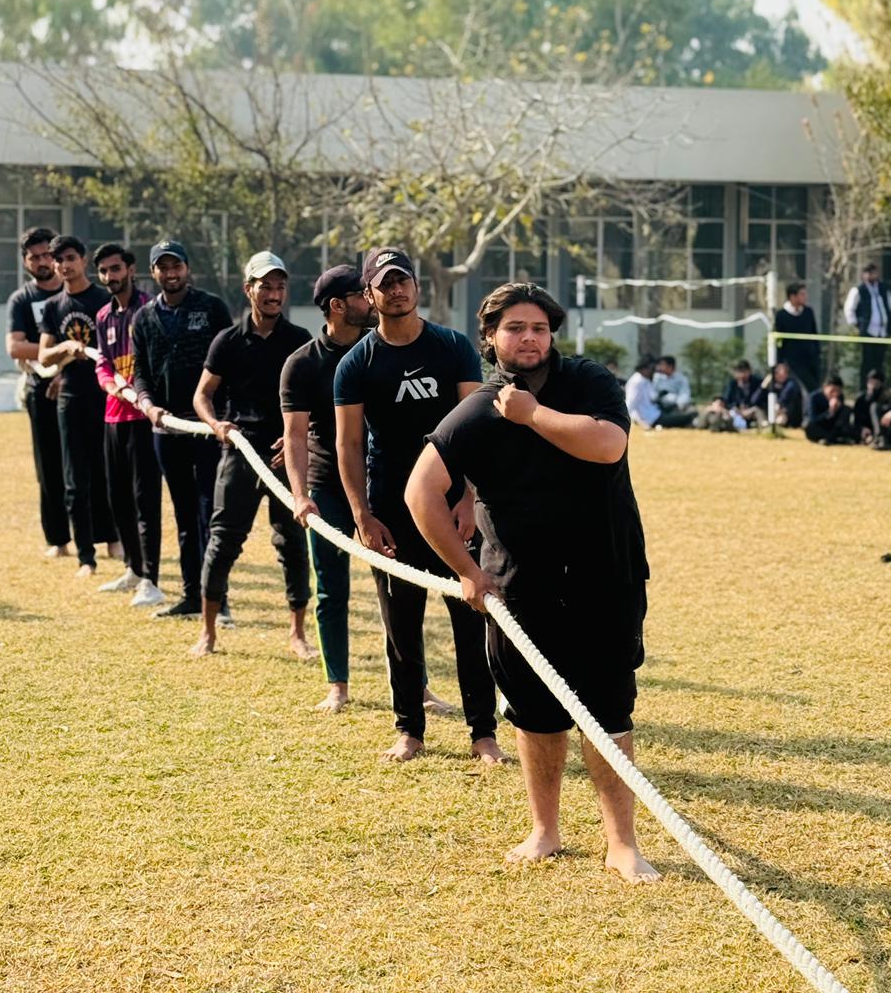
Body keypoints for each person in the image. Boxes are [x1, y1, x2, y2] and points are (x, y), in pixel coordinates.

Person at [405, 283, 658, 882]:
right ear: (490, 338)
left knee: (608, 711)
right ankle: (545, 830)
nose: (529, 339)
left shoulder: (588, 382)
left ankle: (621, 842)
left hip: (606, 579)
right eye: (514, 328)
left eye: (539, 328)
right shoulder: (475, 411)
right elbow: (420, 493)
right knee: (535, 714)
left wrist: (532, 415)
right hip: (520, 589)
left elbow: (608, 445)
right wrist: (468, 573)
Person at [334, 246, 502, 765]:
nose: (397, 290)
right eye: (385, 284)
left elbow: (476, 426)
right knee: (400, 627)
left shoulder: (451, 347)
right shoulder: (355, 364)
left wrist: (469, 497)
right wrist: (363, 515)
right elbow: (348, 444)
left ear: (417, 287)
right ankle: (410, 729)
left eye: (403, 280)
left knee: (471, 619)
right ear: (370, 295)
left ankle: (483, 733)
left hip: (452, 506)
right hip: (391, 509)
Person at [191, 251, 316, 660]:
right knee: (223, 541)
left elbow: (315, 402)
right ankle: (208, 633)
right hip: (240, 452)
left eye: (280, 287)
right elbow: (202, 396)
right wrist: (216, 425)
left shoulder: (300, 342)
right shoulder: (227, 340)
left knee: (293, 543)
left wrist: (298, 437)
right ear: (249, 290)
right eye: (266, 286)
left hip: (285, 458)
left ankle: (297, 634)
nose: (274, 294)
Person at [280, 265, 376, 710]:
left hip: (382, 482)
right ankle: (337, 683)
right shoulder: (301, 364)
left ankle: (416, 685)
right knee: (331, 587)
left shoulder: (383, 350)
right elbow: (295, 437)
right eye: (362, 293)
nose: (372, 299)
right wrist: (301, 495)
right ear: (337, 305)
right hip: (327, 486)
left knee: (397, 589)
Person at [132, 240, 232, 620]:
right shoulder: (143, 318)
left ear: (187, 269)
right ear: (153, 272)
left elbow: (229, 361)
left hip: (207, 430)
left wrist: (222, 415)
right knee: (185, 515)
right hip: (166, 431)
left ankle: (218, 601)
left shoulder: (211, 308)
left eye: (177, 266)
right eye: (163, 267)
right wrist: (148, 404)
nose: (171, 274)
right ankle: (191, 595)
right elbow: (140, 371)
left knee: (211, 514)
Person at [37, 235, 119, 577]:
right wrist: (67, 346)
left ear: (83, 260)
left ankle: (116, 540)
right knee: (75, 480)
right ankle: (86, 556)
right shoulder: (54, 307)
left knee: (110, 473)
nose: (64, 265)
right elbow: (43, 355)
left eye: (70, 258)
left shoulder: (103, 299)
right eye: (58, 261)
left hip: (105, 397)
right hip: (69, 399)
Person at [93, 244, 165, 607]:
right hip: (112, 417)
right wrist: (111, 384)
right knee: (118, 497)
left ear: (131, 269)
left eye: (116, 268)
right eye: (104, 271)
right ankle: (133, 569)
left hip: (143, 418)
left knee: (145, 500)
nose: (110, 276)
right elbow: (103, 364)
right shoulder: (103, 316)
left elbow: (151, 361)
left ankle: (152, 579)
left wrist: (136, 389)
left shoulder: (150, 310)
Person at [6, 226, 70, 558]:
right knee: (48, 467)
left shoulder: (76, 294)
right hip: (39, 389)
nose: (43, 261)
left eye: (49, 254)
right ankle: (58, 540)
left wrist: (64, 362)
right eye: (35, 257)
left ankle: (107, 536)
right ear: (25, 262)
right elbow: (15, 347)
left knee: (92, 465)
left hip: (81, 387)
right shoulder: (22, 299)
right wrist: (58, 351)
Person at [844, 262, 890, 388]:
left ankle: (879, 388)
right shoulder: (859, 290)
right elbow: (849, 309)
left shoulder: (883, 288)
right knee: (867, 363)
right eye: (869, 273)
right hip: (868, 331)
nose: (871, 275)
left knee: (879, 363)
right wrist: (857, 324)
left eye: (873, 272)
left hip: (882, 332)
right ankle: (865, 388)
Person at [625, 354, 694, 429]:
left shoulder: (645, 379)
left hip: (657, 412)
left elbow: (653, 397)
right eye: (652, 368)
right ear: (644, 368)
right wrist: (640, 422)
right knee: (689, 417)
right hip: (652, 418)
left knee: (685, 414)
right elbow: (630, 405)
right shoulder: (636, 382)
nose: (654, 371)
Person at [774, 282, 821, 391]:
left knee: (814, 388)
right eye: (802, 294)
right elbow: (779, 341)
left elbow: (814, 333)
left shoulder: (808, 312)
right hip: (792, 361)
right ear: (792, 296)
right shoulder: (781, 315)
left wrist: (817, 353)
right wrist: (780, 362)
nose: (805, 297)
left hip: (810, 359)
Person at [698, 359, 765, 431]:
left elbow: (759, 399)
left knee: (758, 411)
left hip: (751, 410)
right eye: (739, 372)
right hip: (734, 412)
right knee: (717, 413)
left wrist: (748, 410)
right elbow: (727, 399)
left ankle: (764, 427)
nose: (741, 375)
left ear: (749, 371)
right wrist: (734, 408)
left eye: (744, 372)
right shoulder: (732, 383)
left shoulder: (757, 382)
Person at [805, 374, 856, 445]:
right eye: (832, 391)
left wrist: (838, 408)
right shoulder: (814, 397)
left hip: (833, 427)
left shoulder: (840, 397)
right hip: (819, 426)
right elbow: (813, 419)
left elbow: (841, 419)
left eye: (838, 391)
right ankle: (833, 439)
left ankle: (830, 438)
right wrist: (829, 411)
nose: (835, 394)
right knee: (810, 428)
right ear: (825, 387)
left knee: (847, 409)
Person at [758, 360, 804, 429]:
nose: (778, 374)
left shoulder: (791, 384)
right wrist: (763, 386)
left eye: (781, 372)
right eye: (776, 372)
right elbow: (754, 401)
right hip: (770, 413)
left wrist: (779, 405)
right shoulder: (770, 384)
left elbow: (784, 398)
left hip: (786, 415)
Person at [853, 369, 891, 447]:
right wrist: (862, 429)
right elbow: (857, 420)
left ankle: (879, 438)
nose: (873, 385)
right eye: (871, 382)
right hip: (867, 430)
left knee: (874, 406)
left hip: (885, 430)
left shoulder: (887, 397)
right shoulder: (861, 399)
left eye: (876, 383)